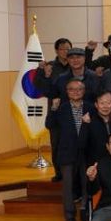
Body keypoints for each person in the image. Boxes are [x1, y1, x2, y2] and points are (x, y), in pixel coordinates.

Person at [46, 78, 94, 221]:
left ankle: (86, 212)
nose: (75, 92)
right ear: (67, 92)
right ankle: (69, 215)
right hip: (67, 152)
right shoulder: (61, 108)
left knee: (87, 183)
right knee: (68, 185)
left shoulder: (91, 107)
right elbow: (49, 124)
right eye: (72, 89)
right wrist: (53, 108)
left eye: (79, 89)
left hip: (87, 151)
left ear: (84, 91)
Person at [35, 37, 71, 182]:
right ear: (56, 51)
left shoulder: (75, 65)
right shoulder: (50, 66)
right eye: (62, 49)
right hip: (56, 113)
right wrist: (43, 73)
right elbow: (40, 87)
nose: (66, 51)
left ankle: (73, 174)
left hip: (73, 111)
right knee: (56, 144)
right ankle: (58, 173)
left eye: (68, 48)